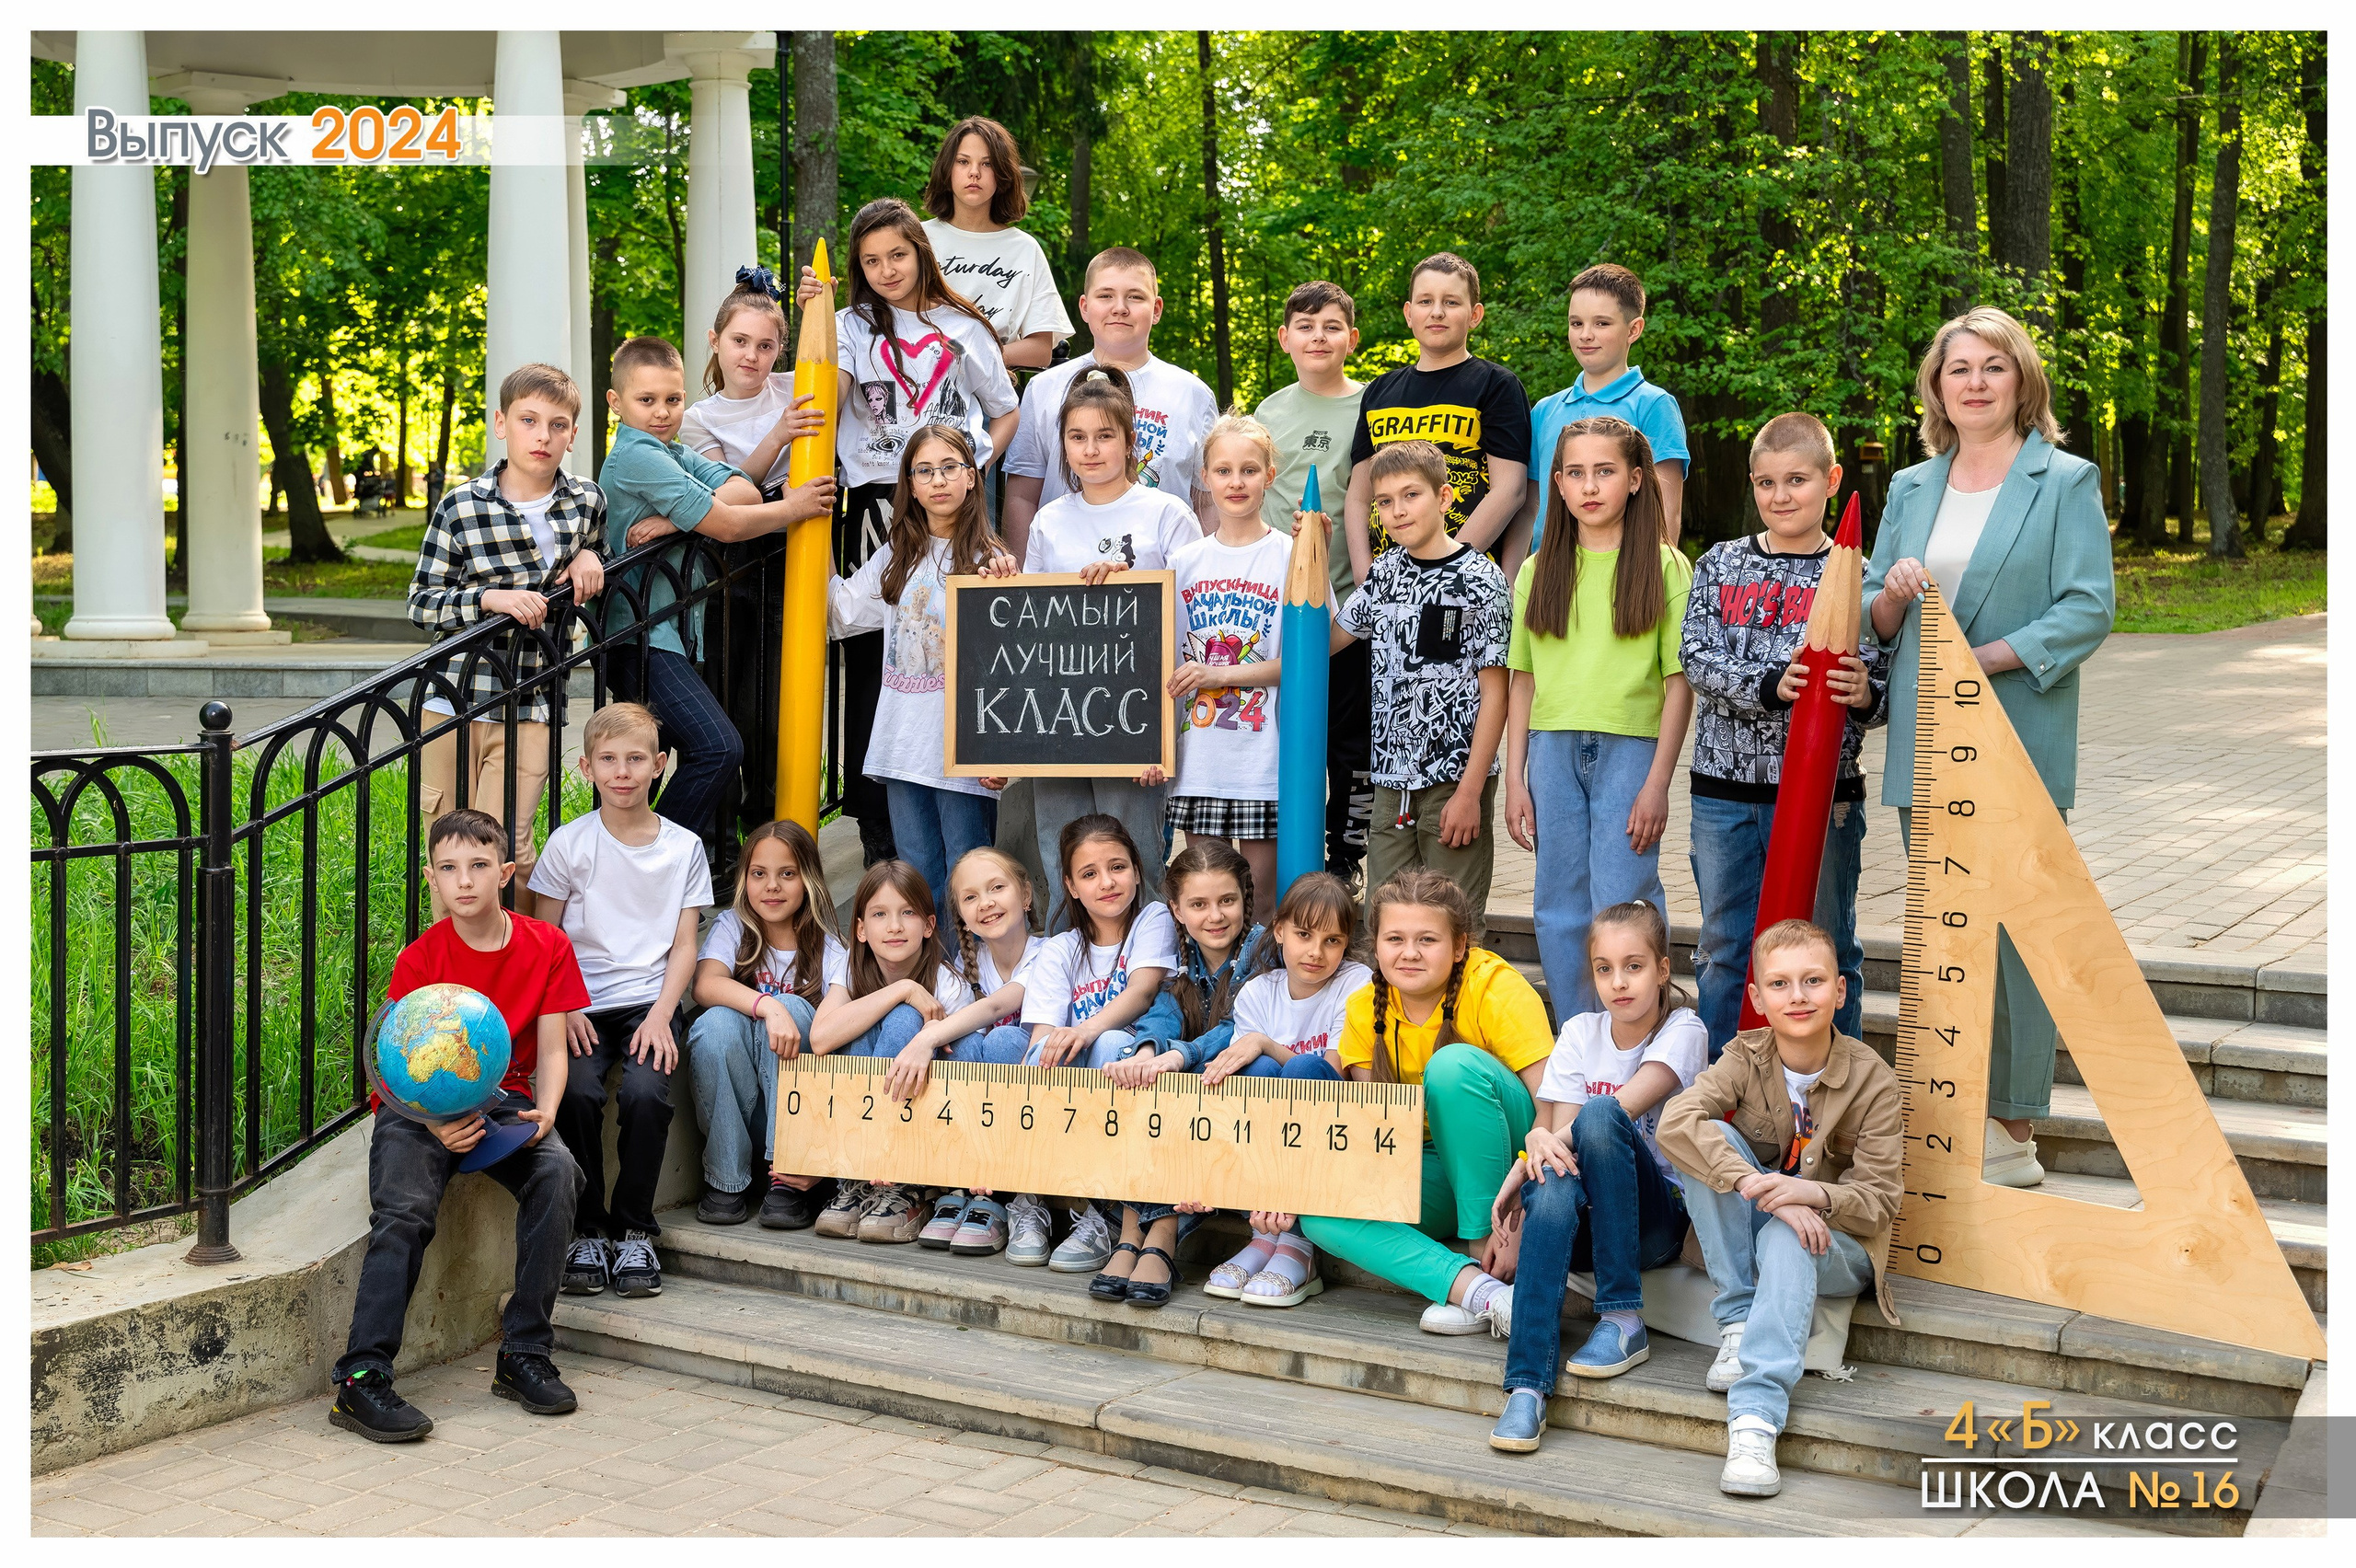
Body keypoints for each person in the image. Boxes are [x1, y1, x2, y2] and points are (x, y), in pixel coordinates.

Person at [1861, 306, 2115, 1188]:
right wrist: (1888, 595)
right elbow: (1871, 610)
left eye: (1992, 367)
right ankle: (1951, 1112)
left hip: (2019, 729)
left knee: (2016, 933)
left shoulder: (2065, 480)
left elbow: (2088, 608)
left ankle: (2013, 1125)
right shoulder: (1910, 488)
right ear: (1937, 387)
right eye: (1957, 368)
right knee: (1941, 926)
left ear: (2022, 381)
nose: (1974, 381)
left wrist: (1985, 663)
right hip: (1928, 733)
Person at [328, 809, 587, 1442]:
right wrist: (434, 1124)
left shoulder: (546, 945)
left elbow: (553, 1049)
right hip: (416, 1109)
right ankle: (361, 1381)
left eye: (477, 866)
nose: (464, 881)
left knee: (557, 1170)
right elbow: (388, 1066)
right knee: (404, 1212)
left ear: (507, 871)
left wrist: (547, 1112)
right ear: (431, 879)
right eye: (448, 869)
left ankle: (523, 1353)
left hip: (501, 1101)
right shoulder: (421, 959)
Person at [791, 202, 1022, 869]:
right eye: (871, 260)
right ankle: (880, 830)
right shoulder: (848, 327)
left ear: (921, 252)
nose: (886, 270)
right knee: (878, 662)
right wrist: (812, 318)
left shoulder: (964, 329)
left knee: (958, 653)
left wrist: (968, 464)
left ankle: (968, 796)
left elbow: (1004, 411)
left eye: (898, 254)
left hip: (949, 494)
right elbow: (825, 403)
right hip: (875, 502)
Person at [1656, 918, 1903, 1500]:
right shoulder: (1746, 1055)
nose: (1798, 996)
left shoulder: (1873, 1081)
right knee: (1706, 1136)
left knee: (1794, 1235)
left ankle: (1756, 1418)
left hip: (1842, 1245)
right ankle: (1740, 1319)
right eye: (1781, 984)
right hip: (1771, 1218)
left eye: (1813, 981)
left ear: (1839, 992)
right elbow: (1676, 1123)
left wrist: (1812, 1195)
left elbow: (1879, 1203)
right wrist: (1765, 1189)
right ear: (1758, 998)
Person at [1681, 412, 1886, 1056]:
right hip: (1726, 795)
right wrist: (1770, 685)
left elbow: (1879, 678)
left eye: (1797, 480)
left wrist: (1865, 696)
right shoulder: (1721, 563)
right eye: (1767, 483)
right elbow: (1696, 656)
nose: (1781, 496)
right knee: (1725, 945)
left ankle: (1837, 1097)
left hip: (1827, 799)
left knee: (1828, 945)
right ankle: (1721, 1092)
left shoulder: (1856, 572)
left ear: (1831, 481)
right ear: (1752, 485)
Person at [1268, 870, 1551, 1334]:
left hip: (1515, 1156)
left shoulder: (1494, 986)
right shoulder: (1364, 1007)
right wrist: (1283, 1184)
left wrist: (1522, 1202)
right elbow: (1371, 1134)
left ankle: (1484, 1246)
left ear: (1459, 946)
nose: (1410, 952)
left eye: (1427, 939)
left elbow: (1553, 1108)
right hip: (1432, 1163)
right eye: (1395, 938)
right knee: (1320, 1211)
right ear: (1375, 945)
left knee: (1452, 1066)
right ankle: (1478, 1291)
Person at [1485, 899, 1708, 1453]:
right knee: (1556, 1184)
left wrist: (1527, 1156)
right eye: (1604, 969)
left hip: (1654, 1224)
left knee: (1604, 1114)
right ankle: (1527, 1388)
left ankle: (1621, 1317)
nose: (1618, 983)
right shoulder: (1581, 1032)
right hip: (1582, 1227)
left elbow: (1621, 1108)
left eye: (1634, 966)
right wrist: (1536, 1154)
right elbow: (1561, 1157)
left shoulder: (1684, 1029)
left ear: (1662, 969)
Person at [597, 335, 835, 847]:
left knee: (648, 765)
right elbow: (728, 524)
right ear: (615, 403)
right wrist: (793, 510)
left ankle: (641, 864)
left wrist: (675, 521)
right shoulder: (637, 455)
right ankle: (655, 857)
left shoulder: (671, 451)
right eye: (647, 400)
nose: (662, 412)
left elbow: (744, 492)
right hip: (639, 634)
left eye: (673, 399)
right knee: (717, 748)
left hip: (674, 634)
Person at [1502, 415, 1695, 1020]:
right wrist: (1515, 778)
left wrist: (1658, 782)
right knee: (1557, 904)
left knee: (1622, 899)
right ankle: (1578, 1041)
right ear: (1556, 484)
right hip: (1552, 752)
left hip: (1632, 753)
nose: (1590, 486)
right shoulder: (1537, 571)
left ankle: (1639, 1041)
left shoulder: (1666, 567)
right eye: (1575, 473)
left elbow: (1679, 682)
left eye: (1605, 472)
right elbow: (1522, 676)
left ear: (1636, 480)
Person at [408, 363, 606, 918]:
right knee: (449, 850)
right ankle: (450, 982)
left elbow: (598, 557)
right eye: (528, 420)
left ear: (572, 433)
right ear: (501, 423)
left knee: (508, 847)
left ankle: (512, 968)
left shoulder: (587, 502)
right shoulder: (461, 506)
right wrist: (489, 599)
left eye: (558, 424)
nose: (542, 436)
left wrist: (592, 554)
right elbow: (421, 602)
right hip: (452, 702)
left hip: (534, 700)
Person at [530, 701, 712, 1301]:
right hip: (577, 1004)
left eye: (636, 759)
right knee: (577, 1092)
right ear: (586, 767)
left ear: (660, 765)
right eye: (608, 760)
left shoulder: (683, 847)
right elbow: (546, 940)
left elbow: (685, 944)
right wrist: (565, 1007)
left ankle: (635, 1227)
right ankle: (588, 1229)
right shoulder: (569, 844)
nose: (623, 771)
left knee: (643, 1091)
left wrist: (663, 1015)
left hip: (648, 1003)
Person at [1022, 368, 1204, 899]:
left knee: (1134, 855)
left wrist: (1136, 594)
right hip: (1056, 712)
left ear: (1130, 442)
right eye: (1077, 438)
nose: (1091, 450)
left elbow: (1198, 611)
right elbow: (1026, 627)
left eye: (1105, 436)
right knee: (1063, 854)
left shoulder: (1167, 513)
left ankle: (1144, 972)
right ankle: (1069, 969)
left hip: (1138, 708)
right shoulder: (1049, 521)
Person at [826, 426, 1020, 912]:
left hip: (962, 745)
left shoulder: (991, 562)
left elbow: (1011, 668)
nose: (938, 481)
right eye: (924, 471)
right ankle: (929, 978)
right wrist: (817, 526)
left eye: (950, 467)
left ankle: (973, 979)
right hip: (902, 740)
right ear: (909, 485)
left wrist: (1001, 750)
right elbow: (843, 612)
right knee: (917, 871)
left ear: (973, 477)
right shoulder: (897, 555)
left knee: (969, 871)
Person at [1332, 441, 1511, 941]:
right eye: (1384, 502)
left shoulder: (1481, 579)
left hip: (1454, 781)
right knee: (1385, 921)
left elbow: (1495, 691)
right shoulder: (1385, 574)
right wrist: (1301, 556)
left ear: (1446, 497)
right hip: (1390, 784)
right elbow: (1332, 638)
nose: (1397, 511)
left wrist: (1472, 791)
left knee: (1450, 925)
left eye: (1410, 495)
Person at [1003, 814, 1179, 1275]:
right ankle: (1030, 1197)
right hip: (1077, 1099)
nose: (1107, 882)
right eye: (1089, 874)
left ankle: (1101, 1212)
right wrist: (1047, 1059)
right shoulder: (1060, 948)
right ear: (1071, 886)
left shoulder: (1153, 918)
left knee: (1107, 1046)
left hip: (1142, 1075)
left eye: (1117, 867)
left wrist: (1084, 1031)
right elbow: (1041, 1036)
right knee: (1023, 1049)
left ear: (1137, 870)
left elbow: (1142, 992)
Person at [1195, 871, 1373, 1310]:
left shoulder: (1356, 983)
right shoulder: (1258, 992)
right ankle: (1263, 1233)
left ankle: (1297, 1245)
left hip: (1332, 1133)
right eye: (1303, 934)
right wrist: (1259, 1047)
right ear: (1278, 931)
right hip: (1270, 1150)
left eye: (1333, 940)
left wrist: (1265, 1042)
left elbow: (1332, 1071)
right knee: (1252, 1069)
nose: (1316, 951)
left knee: (1302, 1067)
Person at [1254, 280, 1373, 885]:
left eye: (1331, 326)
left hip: (1347, 610)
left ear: (1352, 338)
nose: (1318, 337)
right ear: (1285, 338)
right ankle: (1277, 854)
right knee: (1281, 737)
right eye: (1305, 326)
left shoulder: (1372, 406)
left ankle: (1346, 857)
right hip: (1274, 610)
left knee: (1350, 745)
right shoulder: (1268, 412)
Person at [806, 860, 990, 1244]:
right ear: (860, 929)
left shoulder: (947, 983)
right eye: (879, 914)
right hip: (865, 1121)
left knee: (907, 1021)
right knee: (865, 1026)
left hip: (924, 1121)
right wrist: (902, 989)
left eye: (907, 913)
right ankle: (859, 1180)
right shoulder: (849, 968)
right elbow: (821, 1039)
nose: (894, 926)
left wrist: (922, 1032)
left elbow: (964, 1066)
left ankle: (908, 1184)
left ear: (928, 926)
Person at [1000, 247, 1219, 552]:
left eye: (1135, 297)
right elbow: (1021, 495)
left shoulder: (1192, 394)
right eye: (1105, 296)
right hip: (1061, 577)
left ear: (1156, 309)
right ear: (1085, 307)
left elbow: (1206, 503)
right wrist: (1024, 582)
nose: (1120, 308)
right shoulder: (1045, 389)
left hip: (1162, 578)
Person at [684, 819, 845, 1228]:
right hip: (744, 1115)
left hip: (801, 1120)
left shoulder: (830, 946)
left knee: (792, 1004)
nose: (772, 886)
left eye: (787, 874)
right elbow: (704, 984)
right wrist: (767, 1007)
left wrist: (782, 1008)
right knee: (716, 1022)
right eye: (759, 874)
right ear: (745, 880)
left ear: (809, 879)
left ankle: (787, 1177)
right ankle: (725, 1178)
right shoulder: (732, 927)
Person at [1164, 416, 1290, 913]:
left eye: (1249, 470)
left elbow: (1309, 658)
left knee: (1259, 909)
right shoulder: (1184, 560)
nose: (1236, 482)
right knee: (1208, 903)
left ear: (1270, 476)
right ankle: (1211, 993)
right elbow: (1158, 655)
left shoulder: (1291, 555)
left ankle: (1256, 991)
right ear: (1205, 477)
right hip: (1200, 760)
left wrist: (1223, 675)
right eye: (1223, 470)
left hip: (1264, 761)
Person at [1343, 252, 1530, 582]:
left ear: (1475, 315)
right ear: (1409, 313)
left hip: (1465, 580)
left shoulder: (1496, 385)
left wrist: (1446, 569)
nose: (1437, 312)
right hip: (1388, 583)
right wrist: (1365, 576)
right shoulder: (1378, 392)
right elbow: (1359, 496)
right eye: (1425, 301)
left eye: (1452, 302)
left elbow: (1510, 490)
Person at [1518, 263, 1690, 568]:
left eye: (1601, 324)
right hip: (1549, 577)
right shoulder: (1545, 410)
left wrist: (1649, 585)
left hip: (1625, 576)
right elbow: (1531, 508)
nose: (1585, 335)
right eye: (1576, 323)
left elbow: (1667, 514)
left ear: (1633, 330)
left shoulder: (1654, 405)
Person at [921, 846, 1048, 1256]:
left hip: (1040, 1109)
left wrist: (925, 1038)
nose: (986, 903)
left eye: (997, 888)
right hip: (983, 1117)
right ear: (960, 914)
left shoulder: (1050, 952)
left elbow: (998, 1005)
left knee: (1003, 1040)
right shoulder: (966, 962)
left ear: (1025, 896)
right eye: (971, 897)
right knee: (964, 1043)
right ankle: (965, 1184)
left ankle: (1005, 1191)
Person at [920, 116, 1075, 373]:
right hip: (918, 384)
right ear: (947, 170)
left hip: (993, 393)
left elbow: (1041, 350)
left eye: (987, 163)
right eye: (963, 161)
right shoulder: (918, 239)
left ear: (1002, 174)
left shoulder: (1025, 249)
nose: (974, 172)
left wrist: (972, 357)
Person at [1112, 840, 1266, 1085]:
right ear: (1177, 911)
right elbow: (1165, 1012)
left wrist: (1179, 1055)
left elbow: (1242, 1025)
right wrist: (1145, 1052)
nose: (1215, 916)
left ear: (1244, 898)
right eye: (1199, 904)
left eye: (1227, 900)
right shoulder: (1183, 951)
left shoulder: (1262, 949)